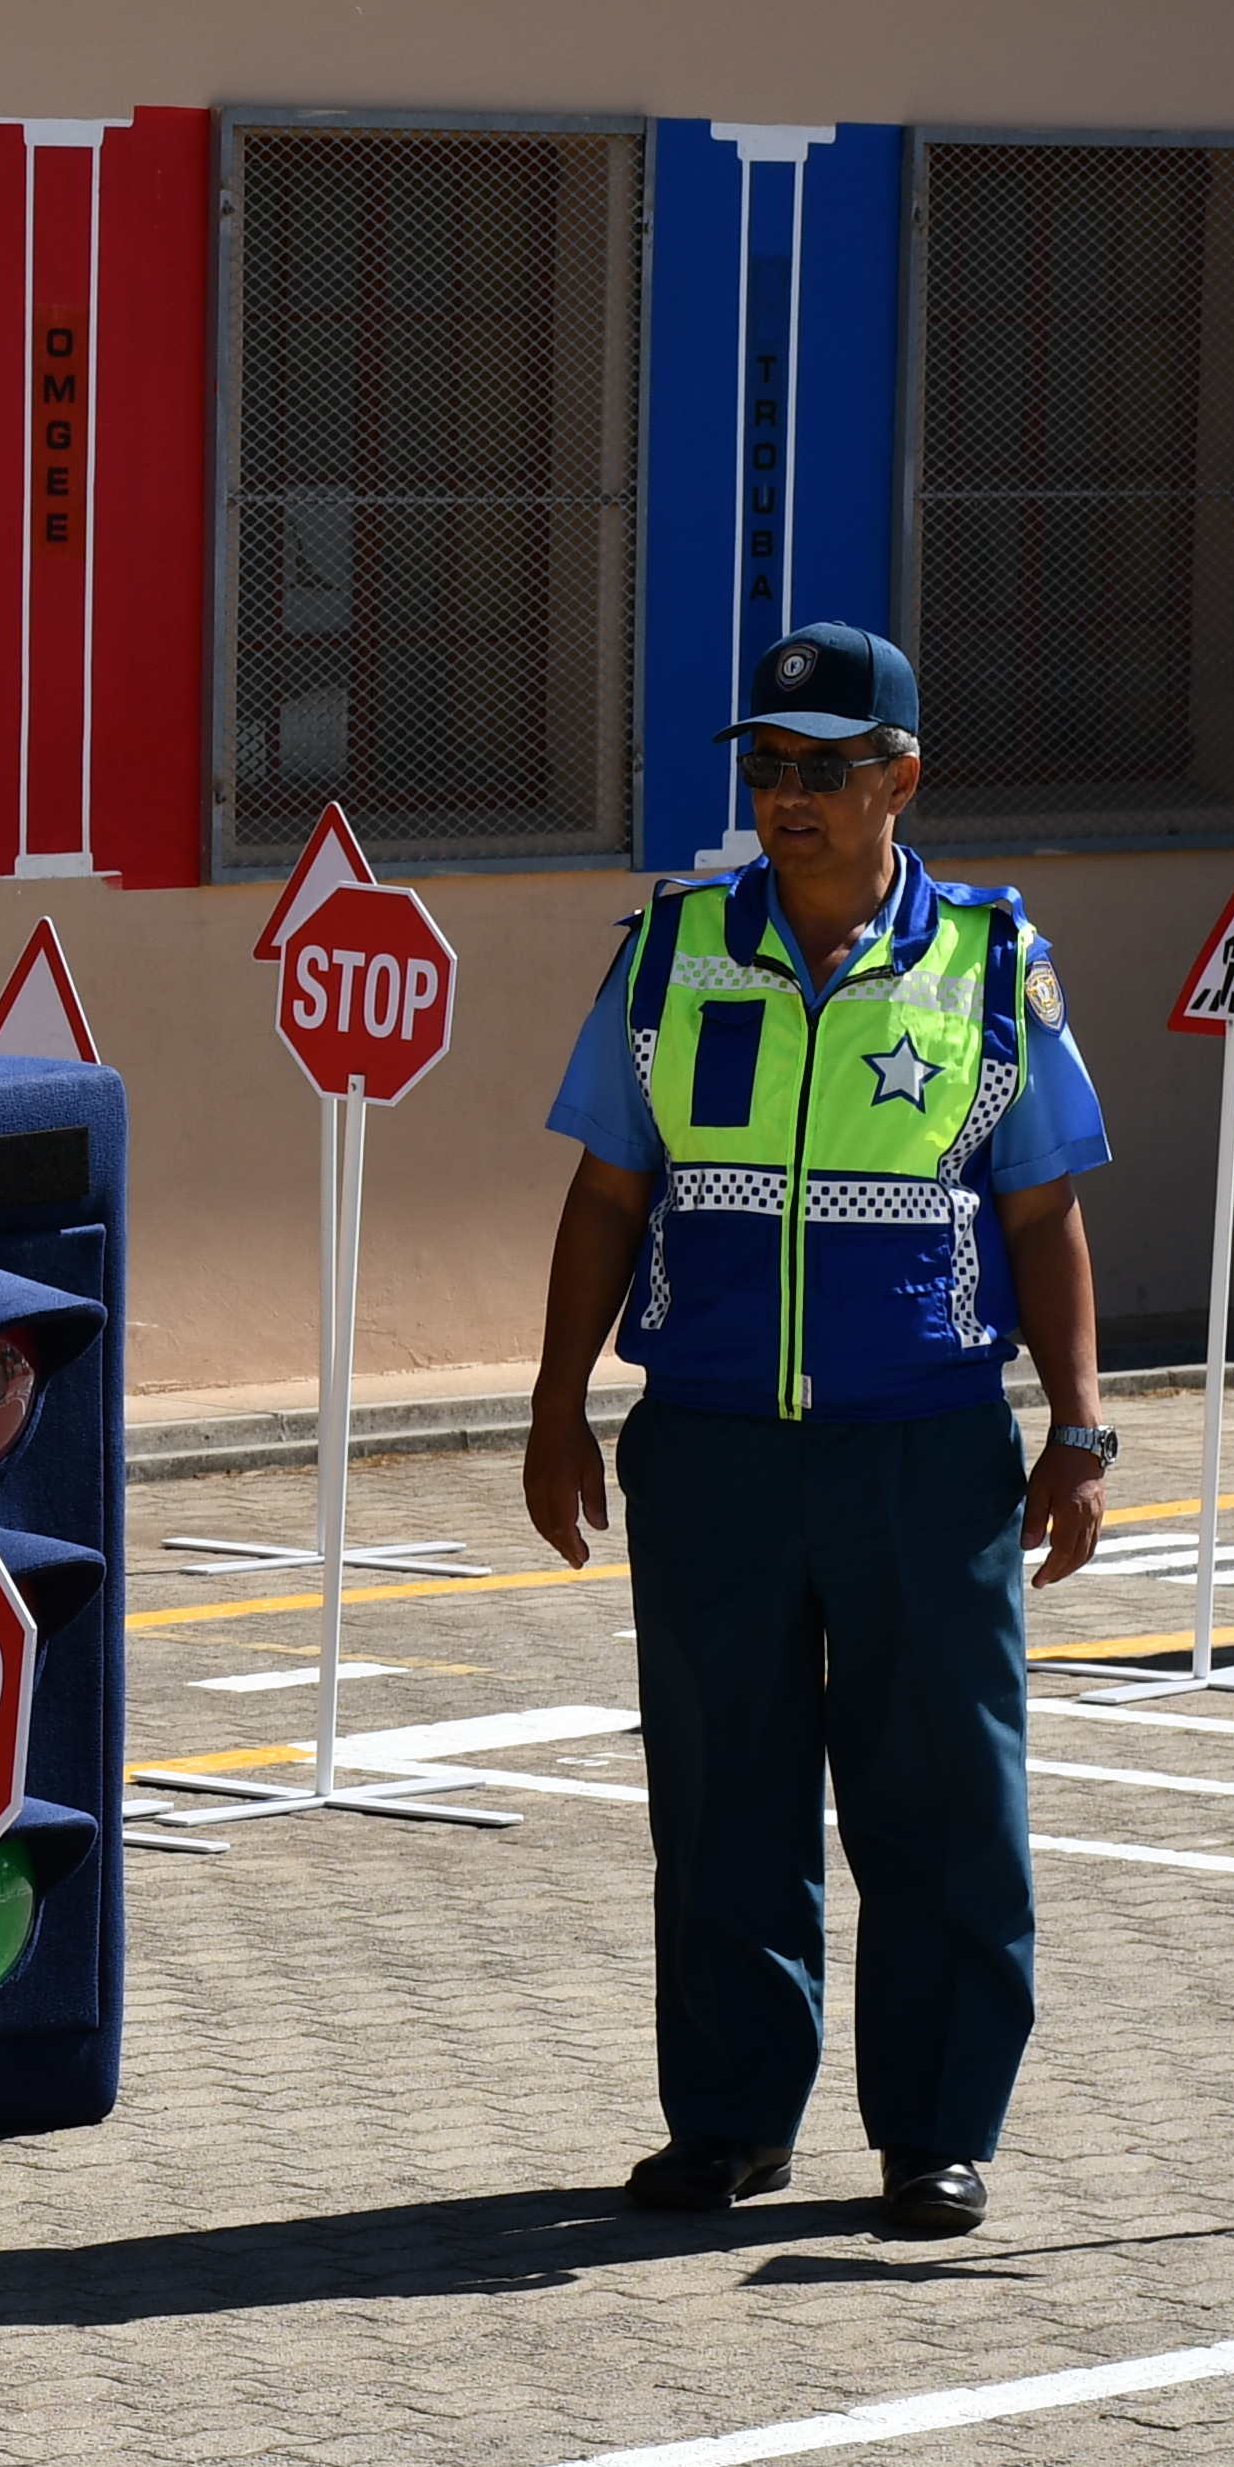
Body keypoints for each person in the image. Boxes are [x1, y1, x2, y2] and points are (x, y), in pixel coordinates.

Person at [518, 625, 1114, 2239]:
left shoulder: (986, 966)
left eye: (821, 769)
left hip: (919, 1451)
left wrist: (1077, 1423)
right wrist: (554, 1399)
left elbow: (1043, 1207)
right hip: (709, 1443)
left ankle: (931, 2130)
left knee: (935, 1799)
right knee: (722, 1797)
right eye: (764, 768)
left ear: (897, 778)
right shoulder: (669, 954)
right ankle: (726, 2121)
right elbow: (601, 1194)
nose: (784, 797)